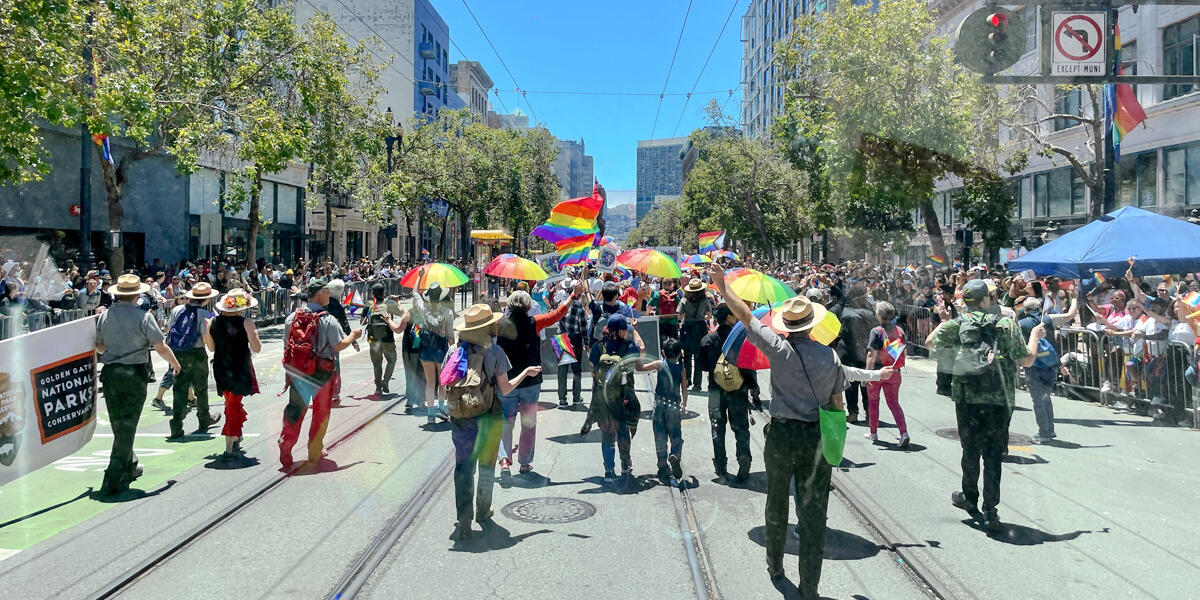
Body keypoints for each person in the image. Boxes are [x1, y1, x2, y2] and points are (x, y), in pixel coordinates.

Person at [710, 263, 843, 597]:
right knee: (813, 513)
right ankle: (810, 586)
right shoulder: (830, 357)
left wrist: (723, 287)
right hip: (815, 439)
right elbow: (837, 405)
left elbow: (746, 318)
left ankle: (775, 565)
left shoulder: (779, 349)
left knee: (777, 503)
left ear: (788, 325)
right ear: (812, 325)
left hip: (782, 436)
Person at [930, 279, 1038, 533]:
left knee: (970, 451)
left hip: (967, 398)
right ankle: (991, 509)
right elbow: (1027, 359)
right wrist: (1034, 336)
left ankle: (969, 498)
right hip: (999, 399)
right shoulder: (1006, 324)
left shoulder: (958, 324)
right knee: (992, 456)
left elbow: (930, 342)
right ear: (985, 299)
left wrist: (947, 322)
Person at [446, 304, 543, 540]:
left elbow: (443, 387)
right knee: (487, 467)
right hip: (488, 416)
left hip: (460, 418)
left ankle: (464, 518)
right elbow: (506, 388)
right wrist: (527, 372)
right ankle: (482, 511)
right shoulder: (495, 352)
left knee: (463, 468)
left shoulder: (453, 351)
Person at [95, 274, 183, 495]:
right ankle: (113, 477)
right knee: (128, 423)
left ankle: (130, 464)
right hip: (134, 372)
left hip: (111, 373)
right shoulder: (143, 316)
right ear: (137, 294)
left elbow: (98, 346)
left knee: (119, 423)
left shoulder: (105, 316)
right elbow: (160, 346)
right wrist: (175, 363)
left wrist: (115, 353)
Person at [494, 284, 580, 476]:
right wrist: (573, 295)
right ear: (527, 306)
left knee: (505, 423)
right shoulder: (536, 322)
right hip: (531, 382)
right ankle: (524, 463)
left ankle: (504, 462)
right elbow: (558, 313)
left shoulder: (498, 325)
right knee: (528, 424)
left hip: (505, 381)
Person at [279, 278, 363, 468]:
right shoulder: (327, 319)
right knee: (321, 412)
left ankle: (286, 442)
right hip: (322, 374)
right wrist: (353, 336)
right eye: (326, 291)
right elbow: (338, 346)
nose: (329, 295)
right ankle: (315, 449)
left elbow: (286, 345)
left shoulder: (291, 318)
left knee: (295, 409)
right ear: (318, 294)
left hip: (298, 373)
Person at [698, 303, 757, 482]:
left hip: (716, 391)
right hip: (738, 391)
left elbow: (702, 366)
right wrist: (753, 389)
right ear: (729, 318)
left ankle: (721, 465)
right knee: (741, 428)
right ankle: (743, 456)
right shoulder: (742, 340)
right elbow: (749, 367)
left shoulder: (707, 340)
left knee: (717, 427)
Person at [581, 313, 643, 482]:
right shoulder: (629, 347)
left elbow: (594, 370)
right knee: (623, 432)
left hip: (604, 398)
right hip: (623, 397)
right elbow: (641, 352)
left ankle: (609, 471)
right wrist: (636, 331)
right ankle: (625, 466)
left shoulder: (598, 347)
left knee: (607, 435)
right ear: (622, 331)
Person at [204, 288, 261, 462]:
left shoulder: (212, 322)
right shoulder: (247, 323)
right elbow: (257, 348)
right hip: (240, 367)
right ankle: (229, 447)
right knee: (233, 405)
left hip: (221, 366)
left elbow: (211, 348)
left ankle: (237, 436)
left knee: (231, 402)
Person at [166, 281, 220, 439]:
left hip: (177, 354)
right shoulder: (206, 315)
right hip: (196, 354)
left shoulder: (176, 310)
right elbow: (206, 338)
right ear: (207, 299)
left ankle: (176, 423)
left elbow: (169, 329)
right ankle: (204, 419)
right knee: (201, 389)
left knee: (179, 389)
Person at [637, 337, 687, 482]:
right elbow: (684, 387)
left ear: (663, 352)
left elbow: (640, 368)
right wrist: (684, 403)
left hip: (659, 406)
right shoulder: (681, 368)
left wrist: (640, 353)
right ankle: (675, 455)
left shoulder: (660, 364)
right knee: (676, 436)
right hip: (674, 407)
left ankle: (663, 467)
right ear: (678, 354)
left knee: (660, 437)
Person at [412, 269, 457, 424]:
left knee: (430, 381)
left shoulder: (424, 309)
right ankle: (441, 408)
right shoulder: (447, 313)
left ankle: (430, 414)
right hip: (441, 350)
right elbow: (451, 336)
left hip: (426, 350)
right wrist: (455, 352)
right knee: (442, 381)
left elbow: (415, 294)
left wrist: (419, 277)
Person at [863, 301, 910, 447]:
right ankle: (904, 433)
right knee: (893, 403)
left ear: (879, 315)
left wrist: (866, 375)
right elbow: (904, 352)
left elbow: (871, 355)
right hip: (894, 372)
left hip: (878, 373)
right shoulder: (899, 331)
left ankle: (873, 432)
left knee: (873, 402)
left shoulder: (876, 331)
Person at [834, 285, 875, 423]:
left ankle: (853, 413)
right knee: (866, 383)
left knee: (851, 385)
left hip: (847, 353)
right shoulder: (868, 312)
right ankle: (870, 413)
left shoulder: (844, 311)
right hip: (863, 353)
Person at [362, 282, 405, 397]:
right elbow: (403, 314)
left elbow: (363, 321)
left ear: (372, 293)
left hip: (373, 339)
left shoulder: (369, 305)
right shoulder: (389, 303)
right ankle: (386, 381)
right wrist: (397, 302)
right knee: (392, 360)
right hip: (387, 338)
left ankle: (378, 388)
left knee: (377, 364)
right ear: (384, 292)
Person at [557, 280, 588, 407]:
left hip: (561, 338)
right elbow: (584, 328)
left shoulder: (562, 305)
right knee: (576, 371)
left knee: (562, 370)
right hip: (575, 339)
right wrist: (587, 343)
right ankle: (576, 397)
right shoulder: (579, 308)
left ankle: (562, 399)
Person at [678, 277, 712, 391]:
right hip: (700, 328)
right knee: (698, 357)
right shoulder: (705, 300)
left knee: (687, 356)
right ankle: (697, 384)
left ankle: (687, 380)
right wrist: (702, 316)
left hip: (688, 327)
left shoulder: (684, 300)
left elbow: (680, 316)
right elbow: (709, 315)